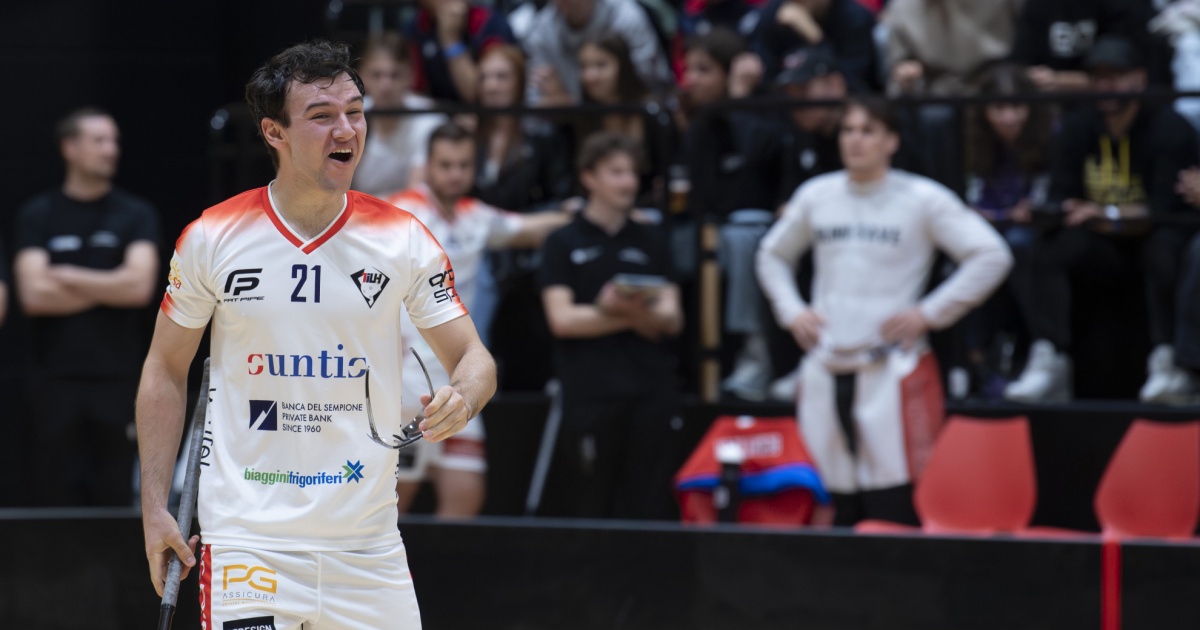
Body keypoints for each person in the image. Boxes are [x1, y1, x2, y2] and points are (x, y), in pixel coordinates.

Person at [136, 40, 497, 628]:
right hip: (248, 542)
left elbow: (474, 358)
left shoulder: (404, 239)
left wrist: (466, 395)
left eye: (354, 112)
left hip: (368, 549)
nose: (346, 129)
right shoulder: (212, 237)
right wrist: (155, 509)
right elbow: (165, 369)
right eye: (322, 116)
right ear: (274, 132)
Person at [755, 95, 1012, 526]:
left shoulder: (922, 198)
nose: (855, 140)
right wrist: (791, 311)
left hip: (892, 368)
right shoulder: (816, 195)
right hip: (824, 362)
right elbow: (771, 254)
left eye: (867, 131)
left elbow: (992, 255)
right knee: (828, 503)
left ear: (891, 141)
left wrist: (929, 313)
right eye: (847, 131)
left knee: (895, 501)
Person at [385, 122, 570, 517]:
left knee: (466, 497)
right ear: (427, 166)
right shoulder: (397, 212)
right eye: (445, 165)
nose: (454, 174)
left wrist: (582, 213)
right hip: (402, 381)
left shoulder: (476, 216)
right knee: (392, 505)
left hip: (460, 379)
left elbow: (530, 229)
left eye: (463, 165)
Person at [1003, 35, 1200, 404]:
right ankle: (1051, 357)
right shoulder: (1078, 126)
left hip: (1156, 236)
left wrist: (1105, 213)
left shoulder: (1170, 128)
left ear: (1140, 79)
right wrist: (1048, 211)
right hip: (1103, 239)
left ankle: (1167, 360)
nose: (1106, 86)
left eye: (1116, 76)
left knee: (1164, 247)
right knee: (1047, 246)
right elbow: (1063, 193)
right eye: (1098, 77)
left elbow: (1164, 210)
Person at [15, 107, 160, 507]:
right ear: (70, 147)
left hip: (118, 377)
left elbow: (139, 288)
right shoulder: (38, 214)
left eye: (114, 141)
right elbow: (33, 295)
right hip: (53, 378)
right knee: (49, 492)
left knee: (115, 491)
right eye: (99, 140)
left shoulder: (135, 214)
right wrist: (111, 283)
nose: (111, 150)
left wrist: (64, 274)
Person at [540, 131, 684, 520]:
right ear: (589, 177)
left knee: (647, 507)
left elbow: (672, 318)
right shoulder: (562, 242)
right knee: (592, 505)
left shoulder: (653, 240)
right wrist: (633, 316)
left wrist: (615, 310)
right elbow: (562, 320)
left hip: (650, 391)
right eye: (617, 172)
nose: (629, 182)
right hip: (590, 394)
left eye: (632, 173)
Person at [959, 63, 1053, 398]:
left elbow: (1044, 199)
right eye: (999, 108)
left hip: (1035, 231)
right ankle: (973, 360)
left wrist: (1028, 211)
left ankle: (1034, 350)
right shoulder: (974, 139)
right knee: (969, 253)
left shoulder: (1050, 134)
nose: (1008, 117)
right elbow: (972, 198)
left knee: (1017, 245)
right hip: (991, 227)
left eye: (1016, 106)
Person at [575, 33, 676, 209]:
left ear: (623, 66)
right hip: (594, 208)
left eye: (601, 65)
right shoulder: (580, 116)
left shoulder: (651, 113)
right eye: (584, 66)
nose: (590, 76)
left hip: (647, 208)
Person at [523, 0, 674, 106]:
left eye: (600, 65)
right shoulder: (540, 30)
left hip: (633, 112)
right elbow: (536, 100)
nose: (590, 77)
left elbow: (652, 83)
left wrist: (569, 101)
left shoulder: (627, 16)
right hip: (572, 126)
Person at [351, 32, 446, 196]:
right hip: (356, 208)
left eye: (395, 75)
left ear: (411, 76)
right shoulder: (349, 118)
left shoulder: (429, 119)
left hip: (407, 209)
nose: (386, 85)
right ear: (362, 76)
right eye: (376, 75)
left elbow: (415, 192)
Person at [749, 0, 878, 91]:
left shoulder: (854, 17)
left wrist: (816, 39)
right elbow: (764, 76)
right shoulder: (776, 12)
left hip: (838, 109)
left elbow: (853, 84)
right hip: (785, 104)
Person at [406, 0, 517, 103]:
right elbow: (413, 93)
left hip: (484, 113)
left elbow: (483, 95)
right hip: (436, 113)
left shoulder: (488, 23)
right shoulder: (415, 28)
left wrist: (451, 40)